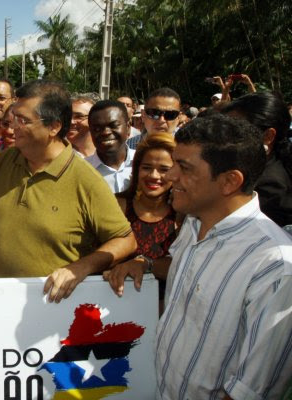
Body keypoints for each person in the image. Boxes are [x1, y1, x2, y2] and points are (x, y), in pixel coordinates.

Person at [106, 114, 292, 398]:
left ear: (229, 181)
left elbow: (249, 390)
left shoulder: (274, 266)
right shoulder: (194, 223)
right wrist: (148, 264)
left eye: (183, 167)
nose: (169, 176)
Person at [0, 80, 136, 302]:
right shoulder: (8, 159)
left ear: (54, 127)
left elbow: (126, 240)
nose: (11, 126)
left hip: (52, 310)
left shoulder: (85, 179)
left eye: (23, 120)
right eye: (12, 118)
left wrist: (81, 268)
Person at [104, 132, 178, 307]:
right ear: (136, 169)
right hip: (111, 307)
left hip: (162, 313)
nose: (154, 175)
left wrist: (147, 264)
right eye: (146, 167)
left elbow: (184, 267)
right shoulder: (116, 205)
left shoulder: (184, 215)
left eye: (164, 169)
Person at [222, 91, 292, 227]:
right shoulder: (252, 170)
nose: (224, 138)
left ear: (268, 136)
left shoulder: (270, 185)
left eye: (236, 131)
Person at [86, 100, 135, 193]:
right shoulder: (82, 170)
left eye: (113, 125)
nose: (105, 132)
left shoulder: (143, 164)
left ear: (128, 127)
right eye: (97, 128)